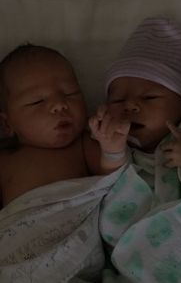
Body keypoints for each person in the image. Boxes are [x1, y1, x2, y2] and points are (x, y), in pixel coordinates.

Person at [90, 16, 181, 199]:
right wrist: (111, 151)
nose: (130, 105)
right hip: (133, 224)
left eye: (149, 97)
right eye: (117, 100)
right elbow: (109, 187)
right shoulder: (109, 137)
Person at [0, 44, 123, 208]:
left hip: (79, 226)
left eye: (69, 93)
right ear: (7, 124)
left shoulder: (83, 145)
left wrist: (112, 148)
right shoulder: (5, 160)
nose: (60, 105)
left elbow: (116, 182)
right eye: (37, 101)